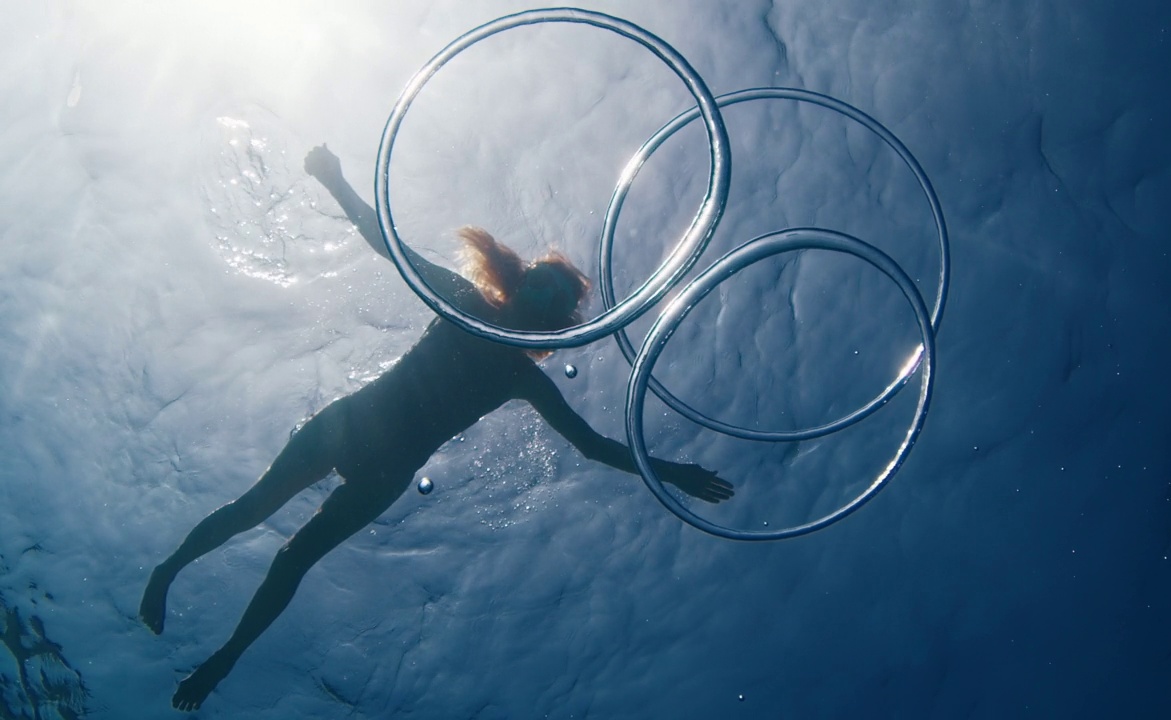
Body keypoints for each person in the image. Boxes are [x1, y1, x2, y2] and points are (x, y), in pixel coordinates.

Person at [141, 145, 733, 711]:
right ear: (517, 278)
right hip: (351, 423)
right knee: (254, 506)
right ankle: (169, 569)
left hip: (387, 473)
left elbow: (591, 445)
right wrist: (335, 180)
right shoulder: (464, 301)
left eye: (555, 293)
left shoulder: (521, 377)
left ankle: (226, 658)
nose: (543, 290)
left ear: (557, 319)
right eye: (539, 277)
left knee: (295, 559)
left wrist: (672, 473)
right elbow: (391, 249)